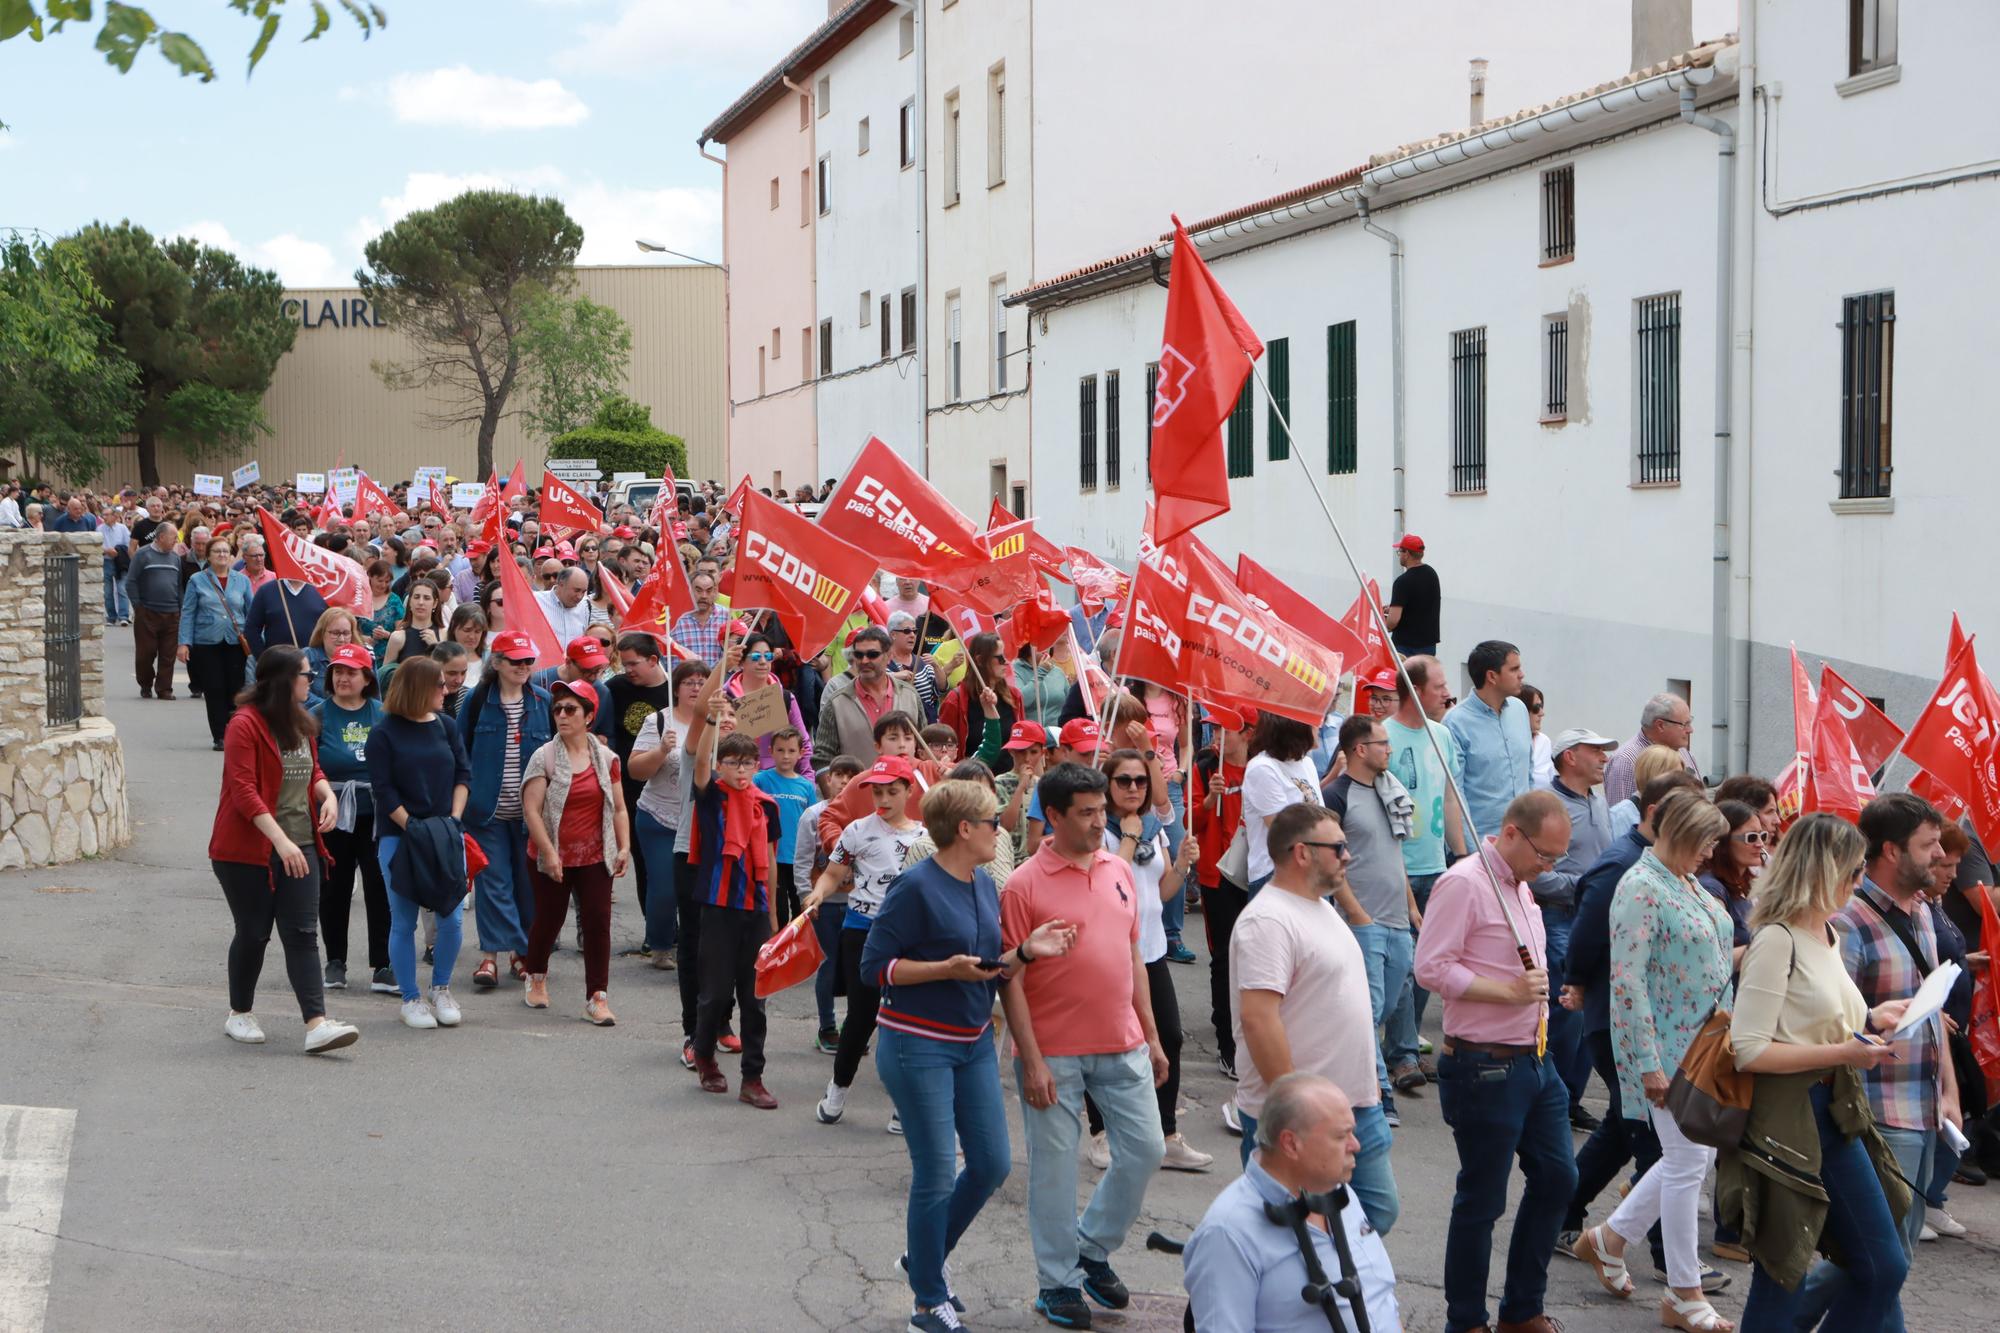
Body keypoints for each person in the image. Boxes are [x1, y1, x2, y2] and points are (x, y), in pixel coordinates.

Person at [863, 779, 1079, 1333]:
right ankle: (925, 1301)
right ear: (964, 829)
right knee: (936, 1173)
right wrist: (943, 970)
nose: (1000, 828)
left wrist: (1028, 951)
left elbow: (988, 965)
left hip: (973, 1041)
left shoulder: (984, 884)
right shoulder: (915, 887)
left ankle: (923, 1259)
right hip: (916, 1044)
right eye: (991, 822)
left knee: (991, 1164)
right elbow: (874, 969)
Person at [1722, 813, 1915, 1331]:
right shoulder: (1776, 939)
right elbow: (1749, 1050)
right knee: (1782, 1273)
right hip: (1787, 1119)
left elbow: (1813, 1020)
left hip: (1833, 1112)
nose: (1860, 883)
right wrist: (1844, 1054)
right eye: (1854, 873)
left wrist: (1873, 1017)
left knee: (1881, 1264)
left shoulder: (1826, 932)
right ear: (1821, 871)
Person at [1000, 762, 1170, 1330]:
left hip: (1122, 1044)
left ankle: (1091, 1246)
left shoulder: (1119, 869)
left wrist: (1150, 1034)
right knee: (1054, 1171)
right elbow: (1010, 980)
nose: (1103, 821)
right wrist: (1031, 1059)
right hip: (1054, 1053)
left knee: (1147, 1149)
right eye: (1088, 812)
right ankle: (1056, 1284)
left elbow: (1133, 957)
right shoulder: (1024, 883)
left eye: (1104, 810)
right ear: (1053, 816)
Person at [1790, 793, 1960, 1331]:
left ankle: (1781, 1320)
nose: (1938, 856)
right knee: (1879, 1258)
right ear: (1890, 850)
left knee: (1888, 1257)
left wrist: (1949, 1090)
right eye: (1928, 845)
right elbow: (1833, 1020)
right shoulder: (1849, 919)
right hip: (1877, 1109)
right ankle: (1781, 1319)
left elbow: (1931, 1010)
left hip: (1925, 1104)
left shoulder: (1923, 911)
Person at [1570, 791, 1736, 1332]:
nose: (1712, 852)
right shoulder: (1640, 885)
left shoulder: (1685, 880)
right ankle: (1683, 1291)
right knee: (1688, 1163)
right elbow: (1627, 982)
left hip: (1706, 1046)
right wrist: (1646, 1063)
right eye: (1707, 841)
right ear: (1683, 833)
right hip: (1665, 1050)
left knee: (1691, 1161)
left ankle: (1610, 1238)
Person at [1413, 789, 1576, 1333]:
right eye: (1544, 855)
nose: (1548, 868)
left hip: (1534, 1059)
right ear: (1511, 833)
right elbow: (1431, 967)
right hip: (1483, 1065)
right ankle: (1467, 1321)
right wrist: (1503, 992)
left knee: (1557, 1177)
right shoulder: (1465, 883)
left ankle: (1522, 1308)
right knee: (1482, 1199)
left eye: (1557, 858)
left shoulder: (1521, 887)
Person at [1556, 770, 1703, 1270]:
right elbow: (1589, 937)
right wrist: (1576, 981)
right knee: (1655, 1140)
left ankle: (1568, 1215)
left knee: (1626, 1127)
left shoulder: (1672, 870)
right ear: (1660, 814)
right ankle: (1666, 1256)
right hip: (1617, 1022)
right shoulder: (1624, 866)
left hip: (1659, 1024)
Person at [1231, 802, 1399, 1237]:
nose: (1348, 856)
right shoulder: (1268, 920)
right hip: (1304, 1116)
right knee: (1292, 1230)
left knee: (1369, 1216)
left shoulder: (1319, 907)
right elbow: (1258, 1020)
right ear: (1302, 852)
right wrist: (1295, 1106)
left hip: (1353, 1104)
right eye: (1338, 847)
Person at [208, 646, 360, 1055]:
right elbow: (243, 791)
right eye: (305, 675)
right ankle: (239, 1012)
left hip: (302, 844)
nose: (311, 681)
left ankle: (317, 1025)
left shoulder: (301, 720)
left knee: (302, 934)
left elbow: (314, 770)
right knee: (254, 932)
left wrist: (326, 795)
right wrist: (279, 840)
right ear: (282, 680)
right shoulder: (245, 724)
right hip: (246, 850)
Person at [1184, 1073, 1401, 1333]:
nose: (1356, 1145)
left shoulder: (1338, 1191)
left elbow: (1381, 1301)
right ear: (1291, 1144)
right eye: (1342, 1136)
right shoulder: (1227, 1233)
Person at [1081, 746, 1208, 1171]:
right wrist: (1131, 834)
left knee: (1168, 1036)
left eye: (1141, 780)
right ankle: (1101, 1133)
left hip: (1150, 951)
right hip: (1108, 953)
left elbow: (1164, 891)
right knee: (1103, 1042)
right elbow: (1105, 881)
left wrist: (1183, 865)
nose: (1134, 787)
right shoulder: (1099, 829)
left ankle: (1165, 1132)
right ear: (1108, 784)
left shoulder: (1155, 827)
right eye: (1124, 781)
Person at [805, 755, 930, 1129]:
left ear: (910, 791)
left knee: (905, 1020)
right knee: (861, 1018)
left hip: (910, 937)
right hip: (862, 930)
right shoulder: (857, 830)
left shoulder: (927, 837)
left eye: (893, 791)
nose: (885, 799)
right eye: (878, 792)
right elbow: (833, 873)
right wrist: (818, 894)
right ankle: (837, 1088)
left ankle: (901, 1104)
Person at [1327, 714, 1426, 1127]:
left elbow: (1394, 855)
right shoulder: (1335, 795)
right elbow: (1330, 863)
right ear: (1359, 750)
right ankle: (1380, 1094)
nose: (1389, 749)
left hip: (1397, 920)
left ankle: (1344, 1073)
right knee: (1366, 1011)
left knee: (1383, 1008)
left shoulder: (1390, 791)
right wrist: (1357, 914)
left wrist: (1411, 908)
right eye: (1382, 743)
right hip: (1363, 921)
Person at [367, 655, 473, 1030]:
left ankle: (440, 987)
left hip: (445, 834)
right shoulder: (384, 732)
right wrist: (412, 826)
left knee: (452, 918)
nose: (446, 690)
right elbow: (383, 789)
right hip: (401, 837)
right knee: (403, 920)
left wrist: (454, 820)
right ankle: (410, 997)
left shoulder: (446, 726)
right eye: (440, 685)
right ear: (419, 688)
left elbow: (464, 773)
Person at [520, 679, 632, 1025]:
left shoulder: (606, 758)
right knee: (550, 919)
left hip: (596, 854)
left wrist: (625, 845)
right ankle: (535, 974)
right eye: (558, 709)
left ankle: (597, 997)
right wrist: (550, 853)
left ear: (589, 716)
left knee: (598, 923)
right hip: (552, 852)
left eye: (571, 709)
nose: (562, 715)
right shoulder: (546, 756)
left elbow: (618, 808)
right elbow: (532, 811)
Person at [686, 729, 782, 1109]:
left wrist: (773, 914)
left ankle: (753, 1077)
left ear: (757, 766)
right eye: (732, 762)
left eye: (748, 762)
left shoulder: (767, 805)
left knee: (755, 997)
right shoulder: (711, 797)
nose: (741, 770)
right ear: (720, 766)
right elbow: (699, 763)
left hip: (756, 909)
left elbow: (772, 859)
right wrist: (711, 721)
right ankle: (705, 1055)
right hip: (718, 906)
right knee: (715, 993)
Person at [1532, 726, 1618, 1129]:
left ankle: (1569, 1098)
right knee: (1568, 1012)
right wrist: (1582, 887)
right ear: (1569, 756)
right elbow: (1534, 873)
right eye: (1595, 750)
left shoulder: (1598, 801)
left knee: (1591, 1011)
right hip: (1561, 916)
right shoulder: (1547, 806)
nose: (1604, 758)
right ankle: (1554, 1099)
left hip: (1597, 919)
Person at [459, 629, 552, 992]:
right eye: (516, 660)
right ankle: (491, 957)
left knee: (528, 886)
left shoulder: (544, 701)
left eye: (529, 660)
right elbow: (460, 751)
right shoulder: (477, 701)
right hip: (485, 811)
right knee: (493, 882)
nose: (524, 666)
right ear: (496, 663)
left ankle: (521, 952)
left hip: (533, 815)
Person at [1385, 655, 1466, 1039]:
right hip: (1396, 868)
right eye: (1439, 686)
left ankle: (1406, 1042)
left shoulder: (1443, 735)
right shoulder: (1381, 736)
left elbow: (1450, 799)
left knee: (1427, 965)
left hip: (1436, 867)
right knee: (1401, 964)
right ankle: (1400, 1051)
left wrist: (1462, 858)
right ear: (1415, 691)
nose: (1447, 693)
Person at [311, 643, 392, 995]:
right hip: (332, 814)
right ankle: (335, 961)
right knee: (334, 888)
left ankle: (383, 964)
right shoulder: (316, 715)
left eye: (350, 672)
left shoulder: (383, 714)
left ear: (366, 677)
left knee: (379, 887)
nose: (343, 678)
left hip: (375, 814)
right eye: (337, 671)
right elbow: (307, 766)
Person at [628, 659, 710, 971]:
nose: (696, 687)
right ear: (675, 688)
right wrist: (661, 750)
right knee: (664, 888)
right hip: (658, 818)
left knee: (699, 890)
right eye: (689, 682)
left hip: (701, 822)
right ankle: (661, 944)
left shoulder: (719, 721)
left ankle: (697, 944)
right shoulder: (658, 721)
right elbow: (635, 771)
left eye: (703, 682)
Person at [602, 632, 676, 934]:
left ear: (654, 660)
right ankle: (656, 931)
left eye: (633, 664)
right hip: (628, 788)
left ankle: (674, 927)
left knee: (672, 866)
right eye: (624, 663)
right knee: (645, 862)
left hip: (669, 789)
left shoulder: (674, 691)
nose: (627, 670)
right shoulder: (616, 688)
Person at [1194, 723, 1250, 1089]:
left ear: (1248, 735)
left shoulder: (1263, 765)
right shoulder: (1203, 767)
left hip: (1256, 874)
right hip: (1217, 876)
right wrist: (1211, 799)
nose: (1217, 737)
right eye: (1214, 729)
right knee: (1225, 961)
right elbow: (1193, 823)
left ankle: (1252, 1040)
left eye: (1226, 730)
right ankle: (1227, 1044)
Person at [800, 756, 865, 1051]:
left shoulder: (867, 817)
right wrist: (806, 896)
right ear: (828, 779)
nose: (844, 781)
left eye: (852, 775)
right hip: (824, 903)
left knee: (856, 968)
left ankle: (852, 1027)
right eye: (839, 774)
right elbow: (801, 861)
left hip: (857, 903)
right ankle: (826, 1027)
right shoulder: (813, 816)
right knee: (827, 965)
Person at [1443, 639, 1532, 842]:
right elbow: (1455, 793)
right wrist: (1469, 850)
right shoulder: (1456, 722)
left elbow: (1528, 774)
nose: (1522, 674)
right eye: (1514, 669)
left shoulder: (1519, 710)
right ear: (1492, 676)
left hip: (1523, 841)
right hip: (1483, 844)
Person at [178, 536, 255, 749]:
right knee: (214, 689)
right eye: (217, 551)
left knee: (236, 689)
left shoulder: (242, 581)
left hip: (235, 642)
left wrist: (257, 639)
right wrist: (184, 643)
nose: (222, 555)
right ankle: (219, 735)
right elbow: (188, 612)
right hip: (207, 642)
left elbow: (251, 612)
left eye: (225, 551)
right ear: (209, 556)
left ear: (231, 556)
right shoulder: (197, 580)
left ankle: (235, 731)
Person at [817, 626, 927, 764]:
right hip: (857, 785)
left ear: (888, 657)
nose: (864, 661)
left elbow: (924, 748)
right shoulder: (836, 703)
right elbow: (822, 757)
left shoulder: (910, 696)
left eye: (872, 655)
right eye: (858, 655)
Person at [1242, 711, 1324, 893]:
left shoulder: (1307, 763)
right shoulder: (1262, 768)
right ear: (1295, 726)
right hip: (1275, 874)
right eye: (1313, 720)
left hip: (1312, 869)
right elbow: (1283, 831)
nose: (1320, 725)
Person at [723, 630, 815, 775]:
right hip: (737, 779)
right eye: (755, 656)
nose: (763, 662)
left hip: (777, 784)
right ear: (740, 661)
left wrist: (808, 780)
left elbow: (803, 743)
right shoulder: (725, 698)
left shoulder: (785, 698)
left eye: (768, 656)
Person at [938, 632, 1023, 775]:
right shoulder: (956, 700)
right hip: (973, 784)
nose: (1006, 662)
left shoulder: (1014, 696)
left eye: (1005, 656)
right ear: (980, 660)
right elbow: (945, 749)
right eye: (999, 658)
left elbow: (1021, 741)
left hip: (1010, 783)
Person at [755, 729, 816, 923]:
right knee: (777, 910)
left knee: (801, 910)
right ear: (771, 751)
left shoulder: (806, 786)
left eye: (791, 750)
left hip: (799, 858)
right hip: (772, 856)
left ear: (801, 753)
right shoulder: (760, 780)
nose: (786, 756)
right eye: (780, 750)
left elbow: (813, 820)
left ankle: (798, 951)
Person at [1604, 691, 1703, 807]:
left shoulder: (1684, 754)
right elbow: (1622, 820)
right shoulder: (1625, 761)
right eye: (1684, 724)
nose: (1690, 730)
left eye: (1690, 722)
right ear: (1660, 725)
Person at [127, 519, 186, 699]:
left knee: (168, 655)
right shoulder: (142, 555)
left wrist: (181, 608)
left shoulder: (175, 558)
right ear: (160, 537)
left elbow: (178, 586)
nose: (176, 540)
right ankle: (145, 683)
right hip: (148, 612)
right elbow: (131, 582)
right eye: (173, 537)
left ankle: (164, 689)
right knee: (146, 653)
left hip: (172, 613)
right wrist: (138, 606)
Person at [1610, 743, 1693, 842]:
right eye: (1675, 777)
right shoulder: (1620, 816)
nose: (1681, 783)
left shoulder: (1675, 813)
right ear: (1655, 776)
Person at [1383, 532, 1439, 657]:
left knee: (1405, 677)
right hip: (1428, 646)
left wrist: (1382, 625)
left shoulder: (1402, 582)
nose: (1399, 556)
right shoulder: (1432, 574)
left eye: (1400, 552)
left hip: (1405, 648)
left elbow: (1393, 621)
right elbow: (1419, 604)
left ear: (1407, 554)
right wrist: (1393, 607)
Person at [246, 573, 328, 658]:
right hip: (278, 663)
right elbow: (251, 628)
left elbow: (331, 627)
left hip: (315, 663)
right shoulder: (266, 591)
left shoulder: (323, 591)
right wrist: (262, 658)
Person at [886, 611, 942, 722]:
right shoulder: (882, 663)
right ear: (893, 635)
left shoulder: (923, 662)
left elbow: (940, 689)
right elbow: (874, 682)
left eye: (915, 631)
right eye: (906, 631)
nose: (912, 635)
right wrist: (895, 676)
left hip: (926, 729)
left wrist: (936, 666)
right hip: (899, 727)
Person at [670, 572, 730, 663]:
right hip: (681, 676)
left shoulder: (726, 616)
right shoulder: (673, 617)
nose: (704, 596)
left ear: (715, 591)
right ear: (689, 590)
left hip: (718, 676)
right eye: (698, 590)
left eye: (709, 591)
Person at [384, 578, 445, 666]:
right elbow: (385, 675)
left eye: (426, 598)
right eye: (416, 597)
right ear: (409, 602)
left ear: (435, 603)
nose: (420, 602)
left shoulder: (444, 634)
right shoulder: (397, 637)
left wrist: (435, 647)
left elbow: (450, 672)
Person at [100, 505, 132, 625]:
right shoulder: (99, 529)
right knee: (107, 591)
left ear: (114, 516)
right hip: (106, 561)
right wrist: (107, 550)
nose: (105, 517)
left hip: (120, 562)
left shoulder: (122, 528)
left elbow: (128, 544)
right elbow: (97, 545)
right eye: (104, 515)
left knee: (122, 589)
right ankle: (111, 617)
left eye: (107, 515)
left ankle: (124, 616)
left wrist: (118, 551)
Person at [1520, 685, 1554, 788]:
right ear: (1522, 708)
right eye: (1536, 708)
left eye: (1541, 706)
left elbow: (1551, 779)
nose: (1542, 713)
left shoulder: (1544, 741)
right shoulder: (1506, 742)